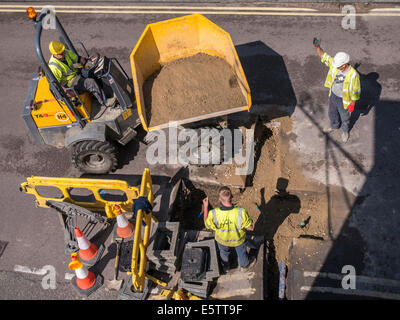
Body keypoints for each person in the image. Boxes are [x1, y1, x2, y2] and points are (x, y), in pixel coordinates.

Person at [314, 38, 361, 143]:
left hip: (344, 99)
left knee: (345, 117)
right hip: (333, 95)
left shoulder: (353, 75)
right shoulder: (335, 65)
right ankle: (334, 126)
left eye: (338, 66)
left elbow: (356, 90)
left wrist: (353, 102)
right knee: (332, 113)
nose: (334, 67)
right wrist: (317, 47)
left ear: (344, 65)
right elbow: (323, 56)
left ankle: (345, 131)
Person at [48, 40, 115, 107]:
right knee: (90, 83)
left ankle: (108, 92)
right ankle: (105, 102)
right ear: (55, 54)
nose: (64, 53)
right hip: (70, 84)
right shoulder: (54, 67)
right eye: (61, 53)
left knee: (95, 72)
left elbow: (78, 59)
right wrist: (68, 92)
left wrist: (90, 61)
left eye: (63, 51)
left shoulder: (66, 52)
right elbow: (56, 85)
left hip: (76, 74)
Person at [203, 186, 256, 272]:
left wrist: (205, 207)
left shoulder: (213, 213)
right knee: (242, 253)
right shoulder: (241, 212)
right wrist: (250, 223)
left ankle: (226, 267)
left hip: (222, 240)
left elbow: (206, 224)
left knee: (223, 253)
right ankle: (245, 266)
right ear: (231, 197)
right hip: (238, 240)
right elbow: (250, 228)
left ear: (220, 199)